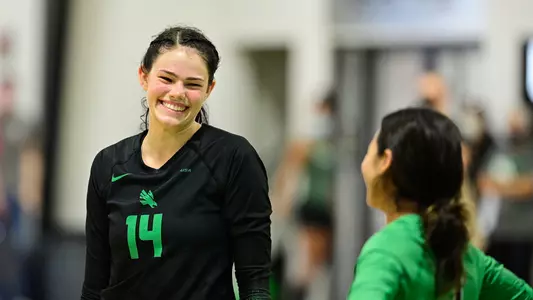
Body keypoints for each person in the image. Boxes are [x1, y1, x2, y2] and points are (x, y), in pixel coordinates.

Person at [81, 26, 272, 300]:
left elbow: (254, 281)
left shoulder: (233, 157)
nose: (177, 92)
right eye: (167, 79)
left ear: (209, 89)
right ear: (143, 77)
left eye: (192, 84)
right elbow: (94, 284)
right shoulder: (108, 164)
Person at [347, 107, 533, 299]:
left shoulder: (387, 250)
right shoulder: (467, 256)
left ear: (385, 161)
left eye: (369, 151)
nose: (364, 163)